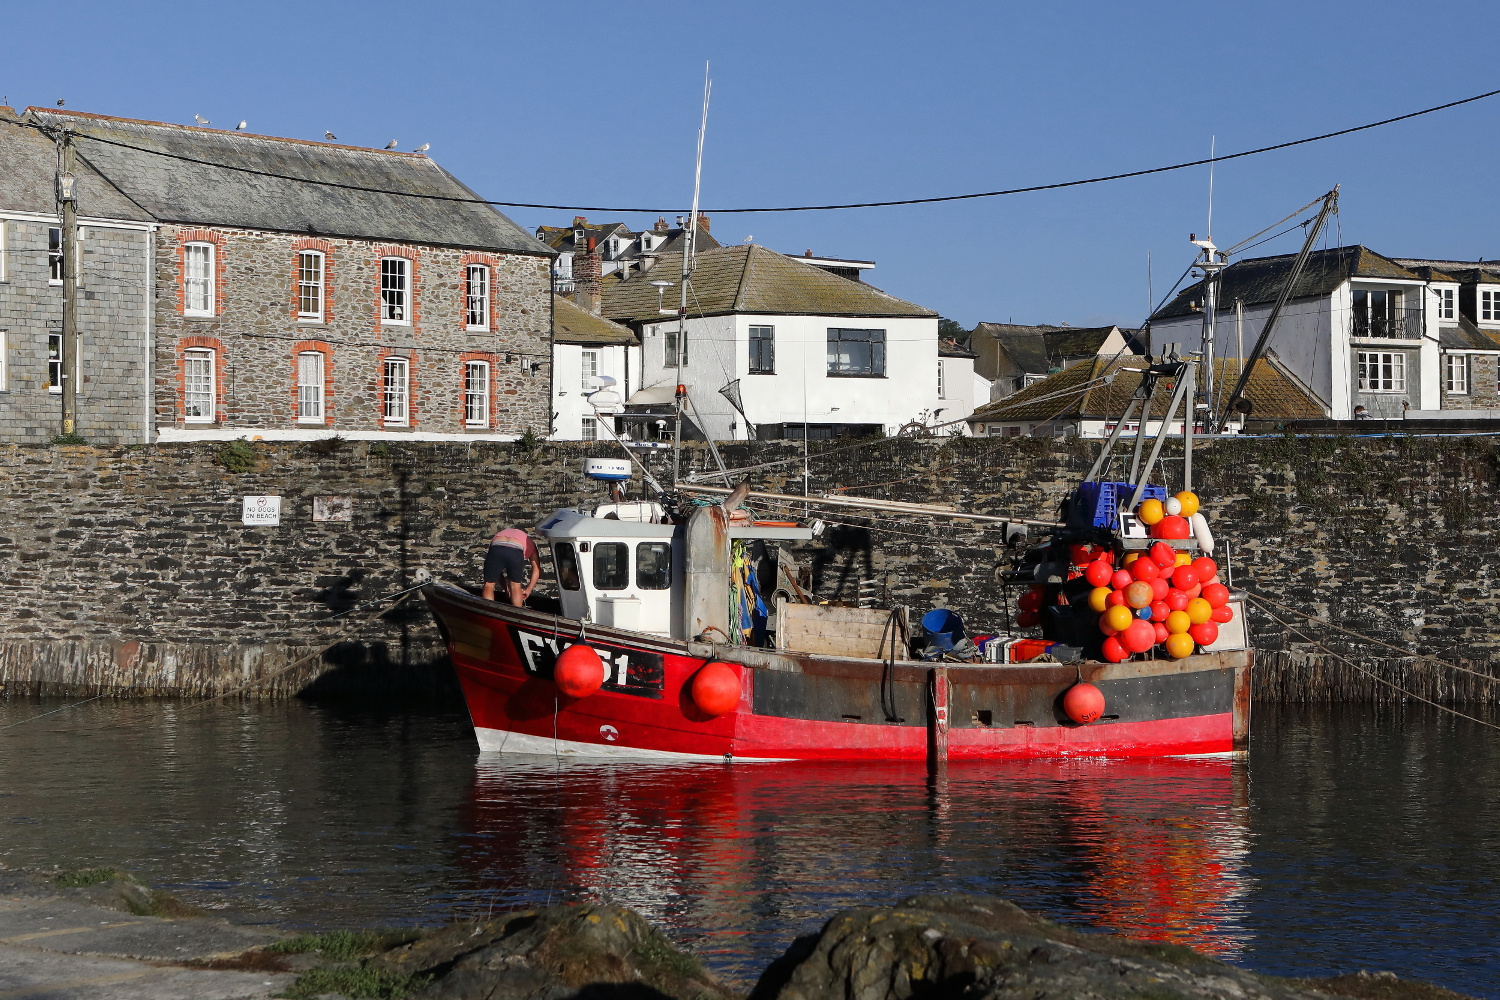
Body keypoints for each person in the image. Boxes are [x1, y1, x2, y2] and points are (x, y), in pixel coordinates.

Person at [482, 526, 541, 606]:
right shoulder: (530, 542)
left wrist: (506, 589)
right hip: (516, 549)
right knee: (515, 585)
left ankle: (487, 610)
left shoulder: (501, 533)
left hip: (497, 545)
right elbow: (536, 569)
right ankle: (517, 613)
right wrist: (528, 590)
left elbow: (496, 571)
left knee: (489, 584)